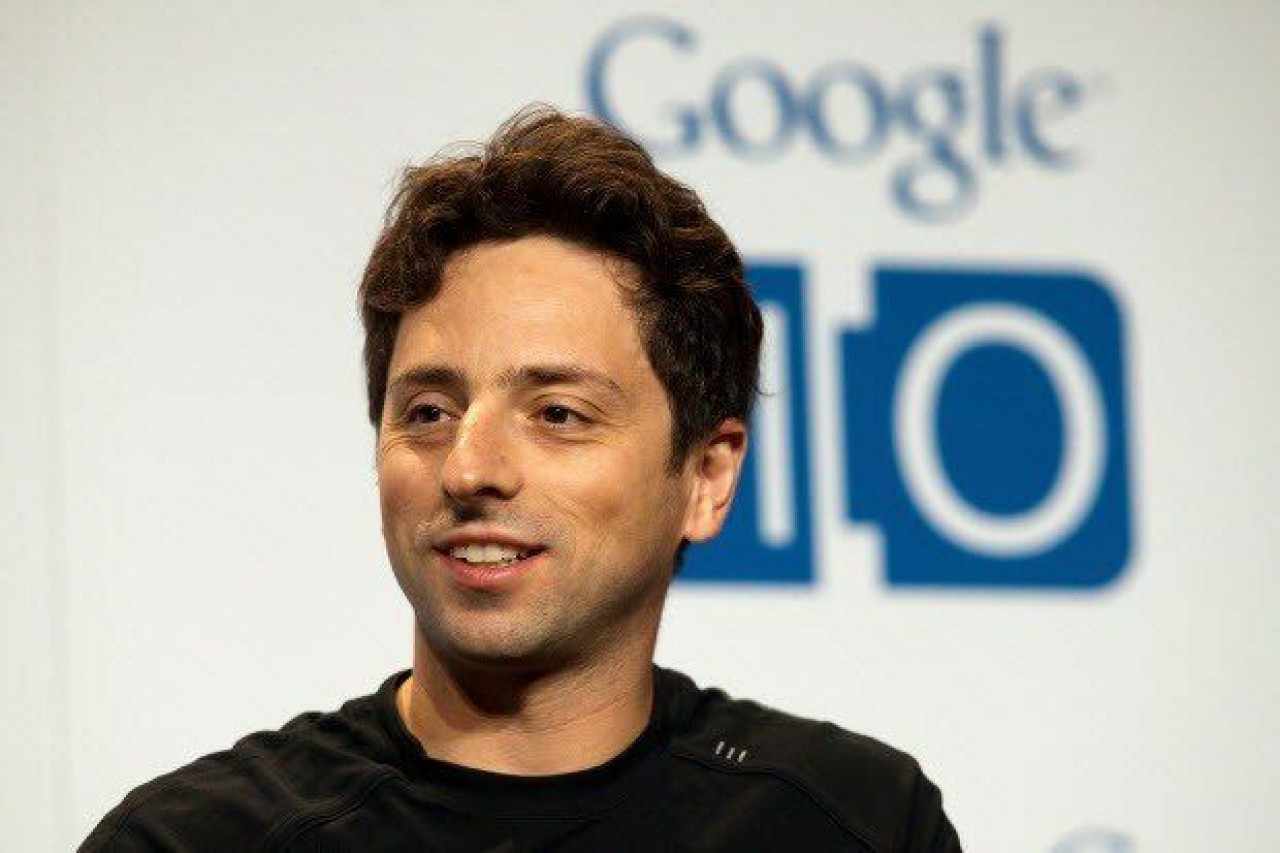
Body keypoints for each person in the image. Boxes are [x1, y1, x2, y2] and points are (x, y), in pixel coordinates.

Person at [81, 105, 962, 852]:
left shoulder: (857, 822)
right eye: (430, 410)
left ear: (707, 476)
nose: (469, 468)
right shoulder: (192, 840)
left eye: (558, 414)